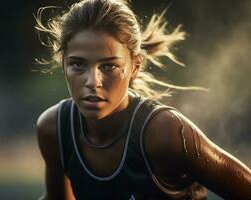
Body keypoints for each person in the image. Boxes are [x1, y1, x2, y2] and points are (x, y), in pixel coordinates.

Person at [34, 0, 251, 199]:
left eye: (109, 66)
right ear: (63, 64)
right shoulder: (54, 129)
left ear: (135, 67)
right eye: (78, 65)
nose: (93, 81)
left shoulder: (165, 133)